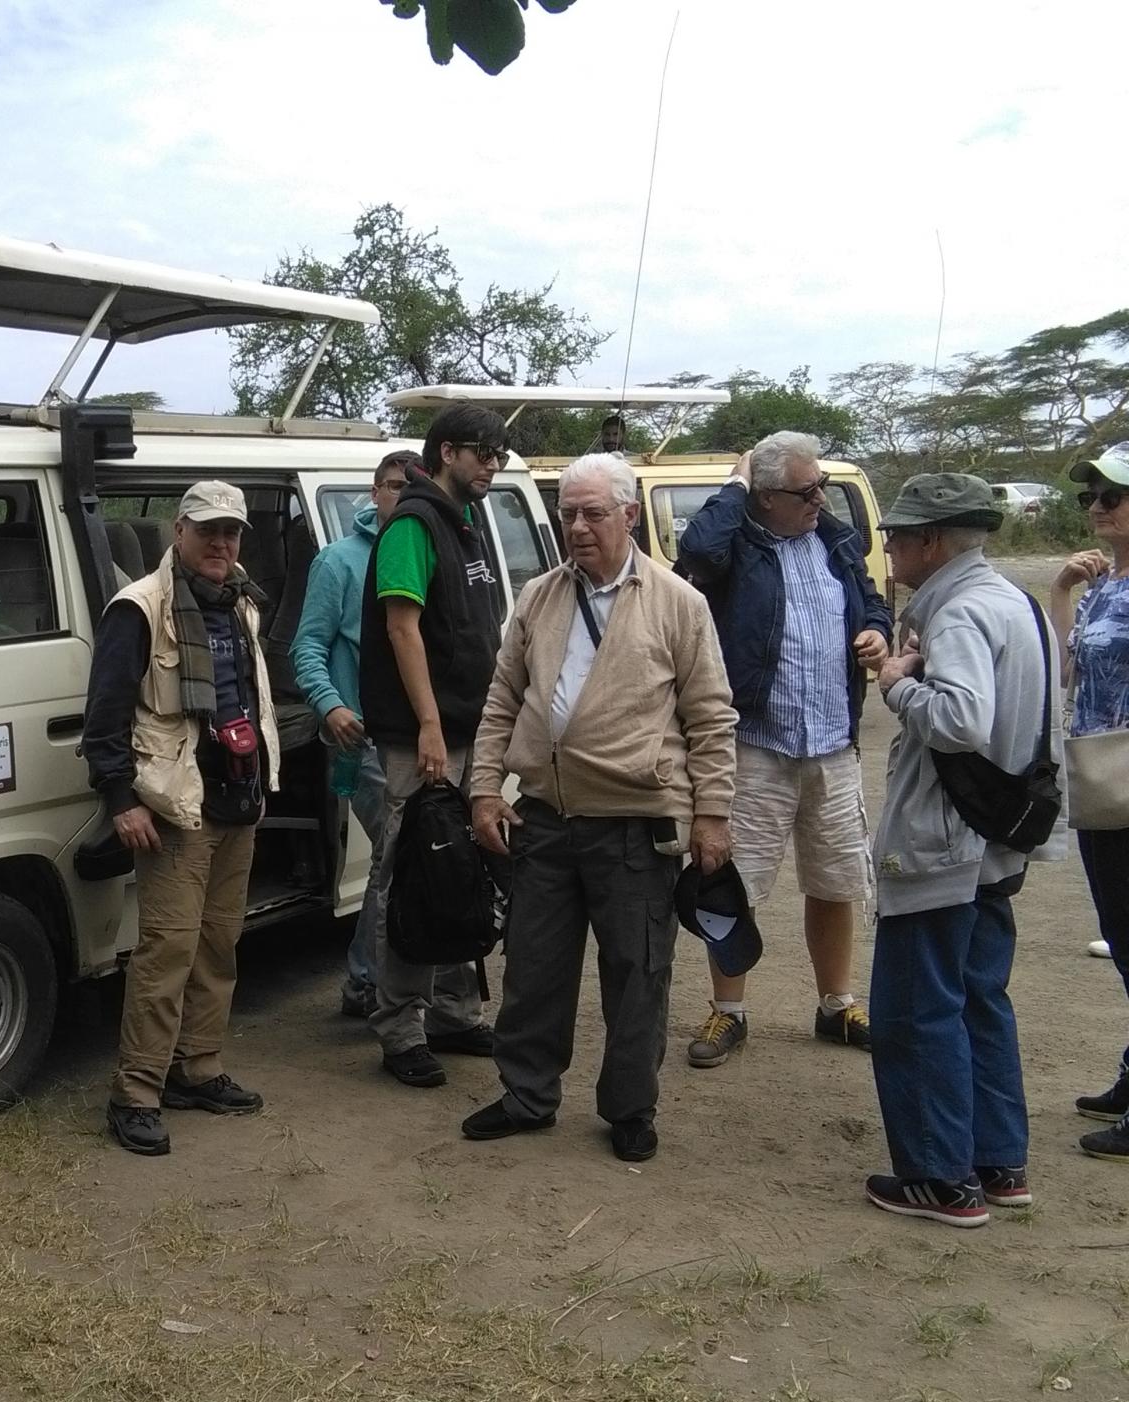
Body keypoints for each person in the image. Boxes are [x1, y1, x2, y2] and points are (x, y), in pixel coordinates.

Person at [466, 453, 738, 1162]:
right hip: (546, 819)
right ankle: (527, 1097)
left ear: (628, 516)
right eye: (567, 514)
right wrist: (485, 788)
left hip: (636, 824)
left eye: (592, 513)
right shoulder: (539, 597)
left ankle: (629, 1109)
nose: (578, 528)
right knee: (532, 970)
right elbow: (501, 702)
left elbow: (711, 717)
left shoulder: (679, 602)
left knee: (637, 973)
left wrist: (712, 815)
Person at [864, 473, 1054, 1225]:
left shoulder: (962, 613)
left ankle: (939, 1178)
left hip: (945, 844)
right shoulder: (1016, 602)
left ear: (932, 541)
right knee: (980, 999)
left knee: (916, 1009)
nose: (890, 546)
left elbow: (961, 721)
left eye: (899, 535)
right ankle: (997, 1161)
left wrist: (896, 682)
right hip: (995, 839)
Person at [675, 432, 893, 1067]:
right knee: (732, 885)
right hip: (756, 744)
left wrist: (877, 634)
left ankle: (836, 1005)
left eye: (822, 486)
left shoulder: (836, 544)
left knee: (835, 880)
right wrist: (736, 482)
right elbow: (695, 548)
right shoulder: (734, 546)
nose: (820, 501)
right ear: (765, 497)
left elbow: (874, 606)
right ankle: (729, 1011)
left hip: (831, 745)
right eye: (806, 491)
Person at [82, 480, 278, 1156]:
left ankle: (197, 1068)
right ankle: (135, 1093)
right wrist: (121, 799)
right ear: (179, 532)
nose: (220, 543)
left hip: (236, 799)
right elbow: (104, 718)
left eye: (231, 532)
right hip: (174, 808)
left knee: (219, 944)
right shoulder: (138, 609)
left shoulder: (242, 602)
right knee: (166, 953)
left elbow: (249, 701)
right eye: (207, 531)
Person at [357, 403, 507, 1086]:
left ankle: (454, 1011)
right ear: (448, 452)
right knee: (415, 877)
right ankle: (400, 1028)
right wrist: (427, 727)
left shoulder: (466, 524)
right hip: (425, 740)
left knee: (464, 875)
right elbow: (402, 630)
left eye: (499, 456)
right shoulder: (412, 525)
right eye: (484, 454)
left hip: (471, 732)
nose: (493, 466)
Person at [291, 449, 418, 1018]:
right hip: (363, 737)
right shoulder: (339, 561)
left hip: (420, 738)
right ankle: (367, 981)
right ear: (374, 491)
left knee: (406, 855)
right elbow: (307, 647)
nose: (399, 496)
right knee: (397, 855)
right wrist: (330, 706)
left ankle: (384, 980)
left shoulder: (424, 552)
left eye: (411, 487)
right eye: (392, 485)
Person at [1052, 441, 1129, 1162]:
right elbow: (1072, 669)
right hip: (1103, 779)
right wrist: (1062, 593)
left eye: (1111, 496)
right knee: (1122, 931)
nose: (1097, 508)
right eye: (1092, 498)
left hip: (1123, 778)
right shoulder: (1107, 584)